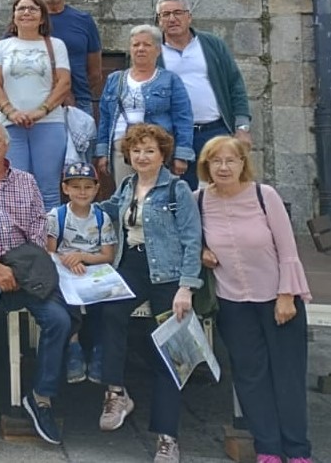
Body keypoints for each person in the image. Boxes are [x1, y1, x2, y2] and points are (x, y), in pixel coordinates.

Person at [0, 120, 72, 458]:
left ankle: (40, 397)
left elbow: (37, 227)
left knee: (59, 320)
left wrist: (20, 269)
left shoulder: (26, 181)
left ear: (7, 145)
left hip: (22, 268)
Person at [197, 136, 313, 463]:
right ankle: (268, 448)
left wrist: (287, 295)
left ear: (242, 164)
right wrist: (201, 251)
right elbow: (185, 237)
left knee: (287, 376)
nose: (223, 167)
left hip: (277, 298)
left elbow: (288, 250)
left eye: (230, 160)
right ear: (206, 166)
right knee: (250, 377)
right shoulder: (199, 200)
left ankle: (297, 450)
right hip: (232, 302)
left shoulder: (265, 196)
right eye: (216, 161)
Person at [92, 124, 203, 463]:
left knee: (167, 348)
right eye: (137, 151)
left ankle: (167, 437)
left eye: (149, 151)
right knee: (110, 311)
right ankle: (116, 392)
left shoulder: (177, 189)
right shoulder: (127, 185)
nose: (142, 156)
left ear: (162, 155)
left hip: (168, 273)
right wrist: (70, 209)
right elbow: (107, 209)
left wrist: (186, 286)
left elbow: (192, 239)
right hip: (132, 265)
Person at [156, 0, 253, 188]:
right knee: (183, 192)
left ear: (189, 17)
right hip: (177, 136)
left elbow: (235, 84)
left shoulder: (212, 44)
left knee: (225, 187)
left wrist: (242, 128)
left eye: (178, 13)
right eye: (165, 14)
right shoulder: (154, 51)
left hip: (216, 130)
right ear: (159, 21)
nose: (172, 19)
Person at [0, 0, 72, 208]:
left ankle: (49, 230)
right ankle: (18, 231)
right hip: (11, 125)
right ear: (14, 16)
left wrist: (41, 110)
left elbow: (64, 83)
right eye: (21, 9)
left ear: (42, 17)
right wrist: (11, 111)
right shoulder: (1, 47)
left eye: (33, 9)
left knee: (48, 189)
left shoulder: (55, 45)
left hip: (49, 123)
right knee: (14, 188)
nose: (26, 12)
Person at [95, 25, 194, 186]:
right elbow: (105, 118)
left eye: (147, 45)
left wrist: (181, 154)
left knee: (157, 193)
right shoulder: (114, 79)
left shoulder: (170, 80)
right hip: (122, 148)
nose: (140, 49)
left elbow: (183, 118)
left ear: (158, 50)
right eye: (136, 45)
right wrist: (102, 152)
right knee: (127, 193)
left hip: (156, 148)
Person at [45, 162, 116, 386]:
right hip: (65, 270)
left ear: (96, 189)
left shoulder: (101, 217)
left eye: (87, 187)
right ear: (65, 189)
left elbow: (108, 255)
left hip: (94, 269)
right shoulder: (57, 216)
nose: (82, 192)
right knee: (68, 298)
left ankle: (98, 349)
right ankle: (73, 346)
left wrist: (82, 256)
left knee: (104, 302)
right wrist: (69, 261)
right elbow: (50, 251)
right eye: (76, 187)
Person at [37, 0, 102, 110]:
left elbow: (95, 73)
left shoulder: (84, 21)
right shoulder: (25, 21)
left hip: (78, 103)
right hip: (35, 102)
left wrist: (72, 92)